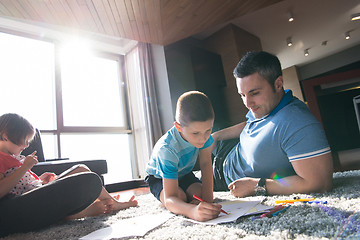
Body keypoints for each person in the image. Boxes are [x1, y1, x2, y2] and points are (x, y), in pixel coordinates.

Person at [212, 51, 333, 198]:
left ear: (278, 84)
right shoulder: (266, 106)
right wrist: (215, 137)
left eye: (254, 93)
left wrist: (258, 185)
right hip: (231, 148)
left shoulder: (297, 123)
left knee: (183, 181)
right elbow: (250, 124)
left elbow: (319, 183)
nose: (247, 103)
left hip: (225, 176)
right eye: (242, 95)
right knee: (203, 128)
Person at [0, 113, 138, 237]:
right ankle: (86, 211)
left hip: (36, 192)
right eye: (22, 141)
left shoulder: (15, 157)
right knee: (88, 180)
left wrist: (40, 180)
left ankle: (109, 203)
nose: (25, 145)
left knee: (82, 169)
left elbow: (22, 183)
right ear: (5, 136)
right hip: (22, 207)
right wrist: (25, 167)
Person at [145, 91, 222, 222]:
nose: (203, 138)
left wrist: (208, 201)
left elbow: (205, 163)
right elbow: (170, 198)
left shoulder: (204, 136)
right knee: (179, 198)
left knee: (201, 195)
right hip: (158, 178)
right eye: (195, 133)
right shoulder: (167, 149)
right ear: (179, 127)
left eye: (208, 130)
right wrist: (192, 211)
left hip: (184, 173)